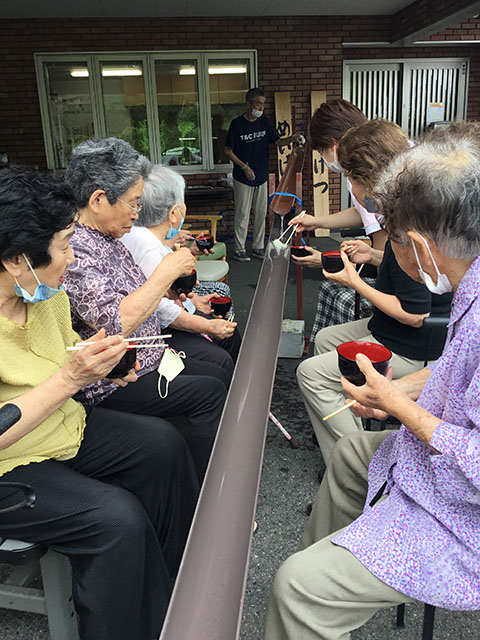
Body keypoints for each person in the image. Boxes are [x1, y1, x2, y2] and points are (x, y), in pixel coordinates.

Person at [264, 125, 480, 640]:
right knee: (351, 454)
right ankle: (336, 575)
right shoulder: (466, 275)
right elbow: (460, 373)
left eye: (396, 241)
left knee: (294, 586)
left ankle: (311, 595)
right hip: (438, 467)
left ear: (422, 247)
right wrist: (403, 391)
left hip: (463, 513)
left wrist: (399, 405)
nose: (393, 251)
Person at [0, 167, 199, 640]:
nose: (72, 257)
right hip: (11, 460)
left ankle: (177, 588)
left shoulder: (43, 293)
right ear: (15, 260)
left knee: (162, 446)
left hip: (61, 427)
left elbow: (68, 348)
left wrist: (103, 364)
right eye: (65, 245)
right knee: (116, 520)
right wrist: (72, 377)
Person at [63, 138, 229, 481]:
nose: (137, 214)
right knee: (210, 392)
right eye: (133, 203)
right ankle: (205, 494)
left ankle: (204, 466)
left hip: (152, 355)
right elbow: (114, 321)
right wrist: (167, 270)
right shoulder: (74, 249)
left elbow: (140, 292)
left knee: (218, 371)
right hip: (114, 378)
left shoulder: (110, 238)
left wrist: (173, 290)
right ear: (98, 200)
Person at [296, 120, 452, 465]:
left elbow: (416, 314)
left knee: (309, 374)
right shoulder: (405, 211)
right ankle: (345, 428)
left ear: (369, 178)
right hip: (387, 329)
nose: (350, 185)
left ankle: (359, 461)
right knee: (325, 341)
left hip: (410, 347)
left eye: (351, 177)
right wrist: (374, 256)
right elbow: (413, 273)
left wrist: (357, 283)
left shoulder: (406, 224)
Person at [121, 165, 241, 374]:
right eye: (182, 201)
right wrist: (205, 326)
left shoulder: (141, 235)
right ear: (174, 213)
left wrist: (194, 304)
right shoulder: (146, 245)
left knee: (229, 334)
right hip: (155, 332)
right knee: (220, 356)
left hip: (159, 320)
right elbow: (161, 308)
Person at [288, 100, 387, 339]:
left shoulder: (369, 177)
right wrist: (317, 221)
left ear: (334, 143)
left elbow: (386, 263)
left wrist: (326, 260)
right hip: (398, 268)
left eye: (322, 151)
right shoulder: (370, 164)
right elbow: (364, 213)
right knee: (331, 287)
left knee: (340, 294)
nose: (324, 158)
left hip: (403, 287)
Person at [225, 87, 304, 262]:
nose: (261, 108)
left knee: (260, 213)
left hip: (261, 176)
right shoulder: (237, 124)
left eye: (263, 105)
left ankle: (258, 247)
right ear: (249, 104)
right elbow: (228, 150)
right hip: (242, 176)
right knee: (243, 214)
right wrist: (243, 166)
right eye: (258, 104)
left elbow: (277, 141)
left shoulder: (264, 122)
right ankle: (239, 249)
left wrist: (291, 139)